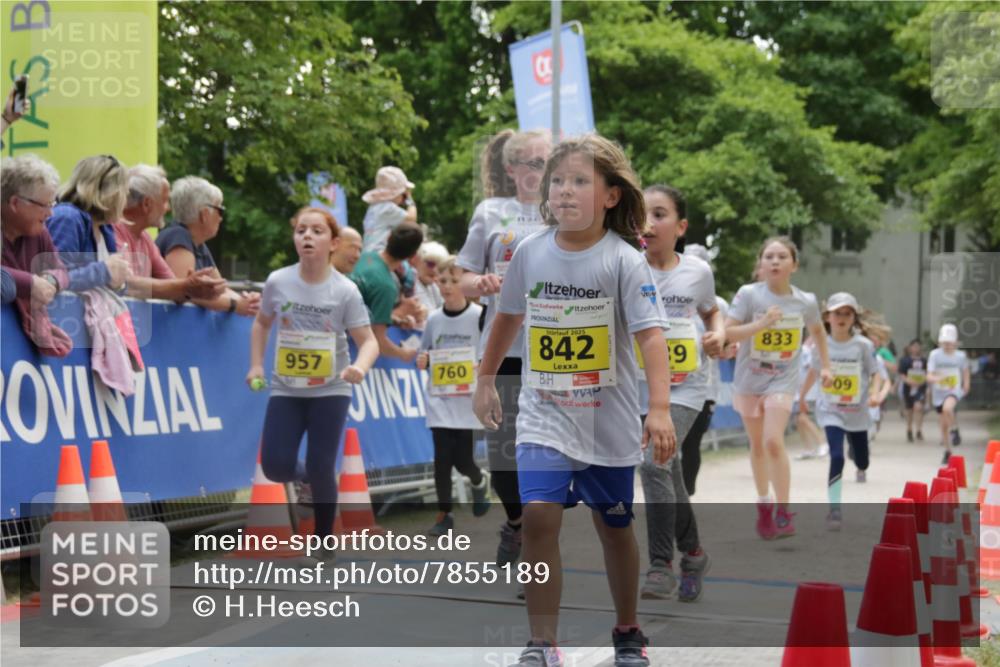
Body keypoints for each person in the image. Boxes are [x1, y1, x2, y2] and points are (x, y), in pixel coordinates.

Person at [474, 134, 675, 667]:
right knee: (539, 516)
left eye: (579, 180)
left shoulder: (624, 261)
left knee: (615, 527)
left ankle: (628, 631)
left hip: (606, 419)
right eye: (557, 180)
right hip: (544, 413)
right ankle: (542, 642)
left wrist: (658, 409)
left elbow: (651, 337)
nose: (564, 189)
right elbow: (507, 317)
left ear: (610, 195)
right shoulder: (530, 252)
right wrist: (485, 378)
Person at [246, 207, 378, 561]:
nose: (307, 236)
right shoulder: (278, 281)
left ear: (333, 243)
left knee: (322, 463)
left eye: (317, 231)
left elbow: (369, 341)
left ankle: (323, 540)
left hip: (331, 389)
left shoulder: (345, 290)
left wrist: (360, 367)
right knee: (275, 466)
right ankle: (307, 479)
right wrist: (256, 364)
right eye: (301, 230)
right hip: (286, 388)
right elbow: (261, 324)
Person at [457, 129, 550, 573]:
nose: (540, 172)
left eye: (547, 162)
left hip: (554, 352)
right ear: (511, 169)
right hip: (504, 350)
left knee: (545, 458)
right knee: (503, 462)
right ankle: (515, 522)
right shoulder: (491, 211)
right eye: (532, 163)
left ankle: (538, 552)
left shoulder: (565, 210)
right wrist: (481, 283)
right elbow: (463, 278)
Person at [637, 185, 720, 604]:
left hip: (686, 388)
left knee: (654, 462)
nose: (647, 223)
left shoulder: (697, 272)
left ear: (681, 226)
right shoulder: (624, 267)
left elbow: (711, 310)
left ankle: (660, 565)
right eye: (640, 215)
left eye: (659, 214)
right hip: (637, 387)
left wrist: (718, 333)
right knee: (667, 470)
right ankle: (694, 554)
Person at [725, 236, 830, 540]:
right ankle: (764, 505)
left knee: (773, 440)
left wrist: (826, 366)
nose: (774, 261)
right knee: (757, 445)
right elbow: (728, 332)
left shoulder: (805, 301)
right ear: (760, 263)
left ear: (793, 265)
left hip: (783, 379)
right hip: (749, 379)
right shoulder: (748, 295)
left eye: (782, 256)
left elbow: (818, 332)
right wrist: (762, 324)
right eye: (768, 256)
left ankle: (784, 511)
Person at [799, 293, 888, 530]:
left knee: (863, 461)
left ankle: (858, 459)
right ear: (827, 316)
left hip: (857, 412)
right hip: (831, 410)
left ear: (854, 318)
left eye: (847, 314)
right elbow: (813, 372)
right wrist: (802, 397)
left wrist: (874, 394)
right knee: (836, 456)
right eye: (837, 313)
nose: (842, 318)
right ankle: (835, 509)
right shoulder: (821, 345)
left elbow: (875, 373)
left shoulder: (863, 345)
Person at [415, 256, 490, 536]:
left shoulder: (479, 316)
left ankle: (478, 480)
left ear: (465, 284)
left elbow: (491, 350)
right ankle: (444, 515)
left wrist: (481, 365)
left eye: (454, 281)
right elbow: (425, 353)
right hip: (441, 400)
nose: (447, 286)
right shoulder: (434, 319)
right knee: (442, 460)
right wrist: (423, 361)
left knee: (463, 461)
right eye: (443, 281)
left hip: (468, 402)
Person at [115, 164, 224, 302]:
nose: (168, 209)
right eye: (165, 201)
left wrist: (194, 288)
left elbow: (173, 285)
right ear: (147, 204)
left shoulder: (145, 240)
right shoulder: (111, 231)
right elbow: (125, 283)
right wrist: (186, 287)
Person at [156, 175, 260, 316]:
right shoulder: (178, 237)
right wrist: (235, 305)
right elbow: (186, 292)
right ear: (204, 214)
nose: (221, 218)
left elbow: (221, 288)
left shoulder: (198, 244)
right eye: (220, 210)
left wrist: (248, 302)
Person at [45, 154, 131, 293]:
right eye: (125, 193)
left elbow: (112, 285)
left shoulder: (105, 228)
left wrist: (119, 283)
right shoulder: (67, 218)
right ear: (112, 193)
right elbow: (52, 281)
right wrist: (104, 271)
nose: (125, 201)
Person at [0, 155, 70, 322]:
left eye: (52, 205)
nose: (50, 213)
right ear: (15, 203)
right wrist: (30, 284)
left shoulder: (38, 232)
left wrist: (49, 280)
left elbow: (62, 271)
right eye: (44, 205)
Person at [350, 223, 424, 363]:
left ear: (388, 237)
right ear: (412, 255)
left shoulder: (364, 256)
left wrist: (393, 319)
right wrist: (402, 353)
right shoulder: (386, 287)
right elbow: (376, 340)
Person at [928, 323, 971, 463]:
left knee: (947, 408)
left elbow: (965, 371)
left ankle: (954, 429)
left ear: (955, 342)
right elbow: (929, 375)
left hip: (953, 390)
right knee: (943, 425)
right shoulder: (935, 355)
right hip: (938, 392)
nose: (947, 345)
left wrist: (966, 384)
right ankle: (948, 451)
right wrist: (937, 378)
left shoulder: (960, 356)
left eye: (950, 342)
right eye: (944, 342)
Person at [360, 166, 417, 254]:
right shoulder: (387, 208)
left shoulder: (373, 207)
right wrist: (410, 201)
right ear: (396, 193)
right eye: (403, 195)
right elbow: (411, 220)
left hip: (367, 254)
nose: (403, 200)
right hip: (379, 254)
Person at [793, 334, 829, 460]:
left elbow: (813, 368)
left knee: (803, 418)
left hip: (809, 392)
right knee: (798, 420)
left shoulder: (806, 352)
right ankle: (808, 448)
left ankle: (822, 443)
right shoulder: (793, 352)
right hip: (797, 392)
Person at [898, 339, 929, 442]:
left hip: (920, 388)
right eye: (914, 346)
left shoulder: (924, 361)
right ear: (910, 347)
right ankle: (909, 429)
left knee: (918, 407)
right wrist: (909, 381)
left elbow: (928, 373)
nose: (916, 348)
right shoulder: (904, 360)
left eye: (918, 346)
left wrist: (923, 380)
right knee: (909, 410)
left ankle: (919, 430)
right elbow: (901, 374)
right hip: (908, 388)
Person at [413, 240, 447, 313]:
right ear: (418, 261)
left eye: (439, 266)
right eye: (430, 264)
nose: (435, 270)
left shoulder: (433, 286)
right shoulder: (411, 283)